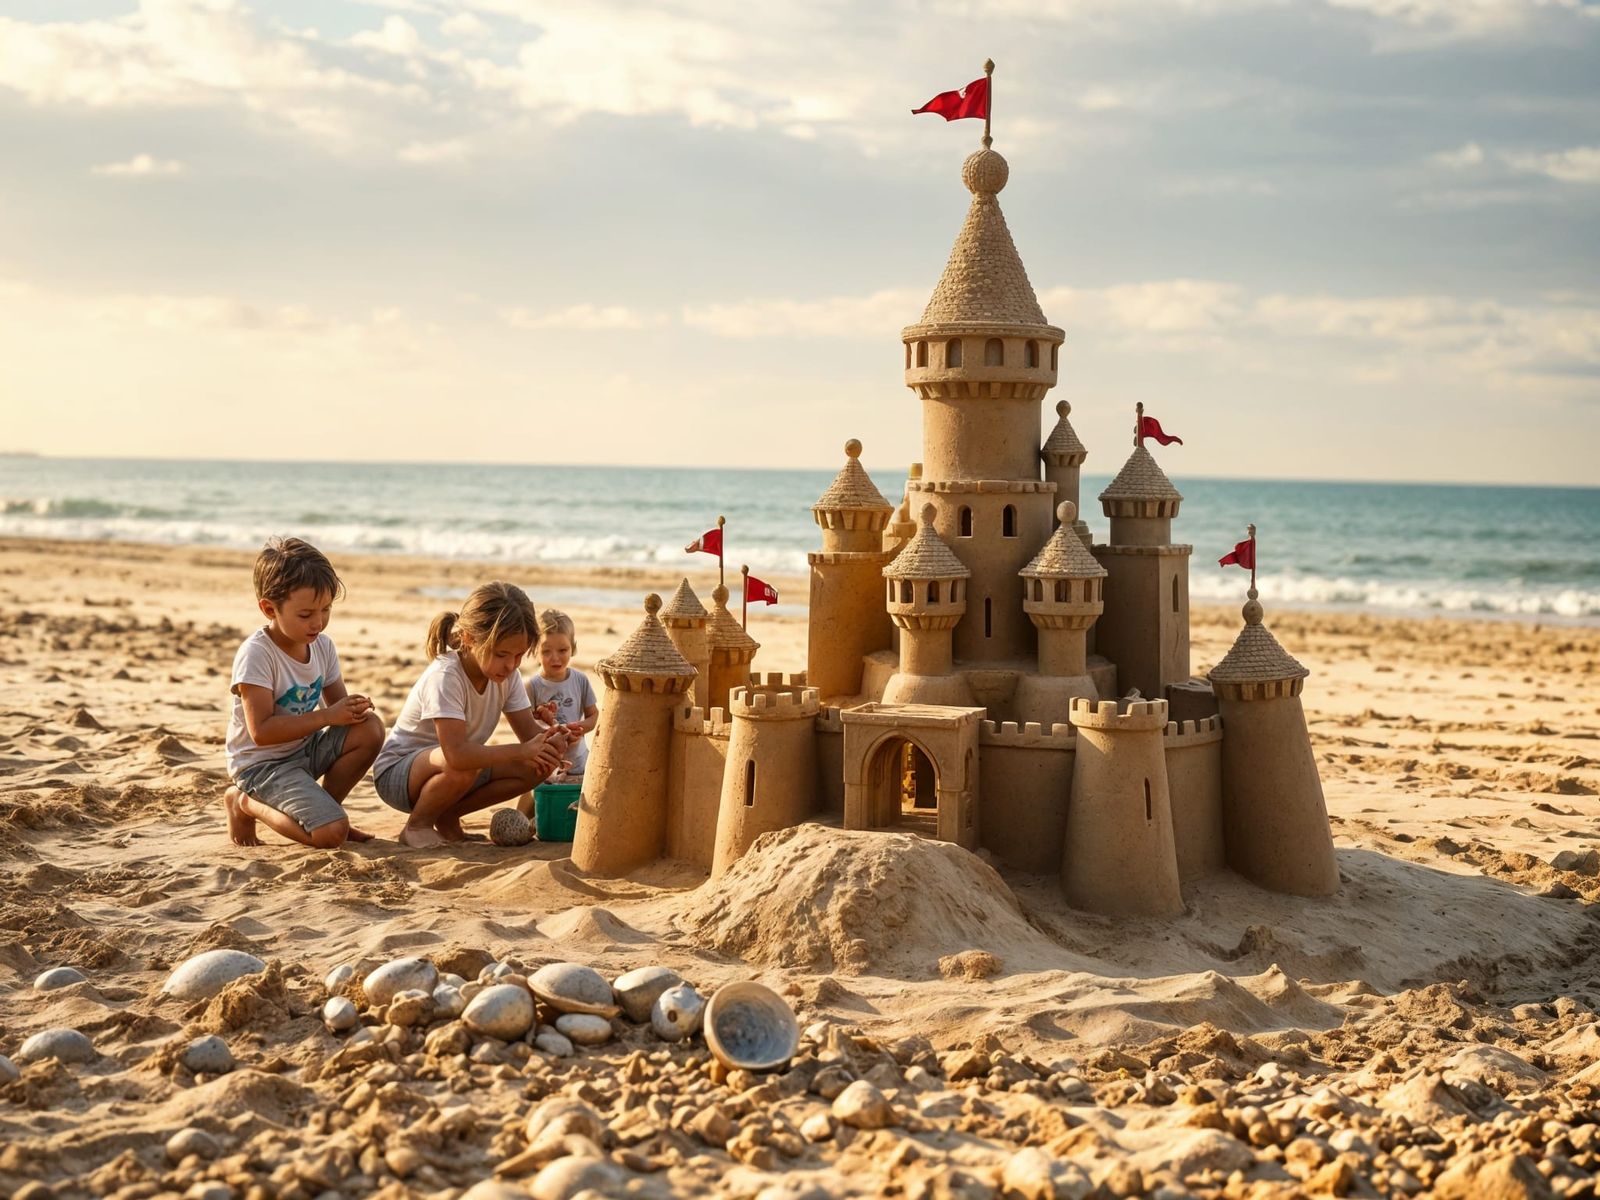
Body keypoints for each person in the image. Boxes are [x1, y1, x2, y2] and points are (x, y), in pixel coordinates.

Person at [373, 581, 577, 848]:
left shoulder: (508, 675)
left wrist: (554, 738)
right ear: (469, 638)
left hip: (458, 767)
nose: (511, 665)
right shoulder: (446, 676)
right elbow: (456, 754)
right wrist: (521, 750)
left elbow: (530, 736)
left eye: (518, 655)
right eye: (502, 654)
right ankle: (418, 825)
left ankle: (447, 817)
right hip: (399, 775)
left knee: (539, 763)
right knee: (464, 764)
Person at [223, 537, 384, 850]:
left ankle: (326, 810)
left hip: (304, 752)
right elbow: (261, 732)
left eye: (326, 610)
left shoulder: (322, 646)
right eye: (306, 614)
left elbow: (341, 710)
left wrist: (354, 708)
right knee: (331, 835)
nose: (319, 622)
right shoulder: (257, 655)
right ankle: (243, 802)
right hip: (262, 766)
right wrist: (327, 715)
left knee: (370, 727)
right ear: (269, 608)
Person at [522, 609, 599, 783]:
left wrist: (580, 728)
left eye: (562, 650)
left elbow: (593, 715)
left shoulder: (580, 680)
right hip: (543, 764)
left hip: (578, 762)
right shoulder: (531, 686)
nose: (555, 658)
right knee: (537, 801)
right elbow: (525, 727)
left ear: (573, 648)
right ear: (535, 651)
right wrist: (549, 729)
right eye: (546, 651)